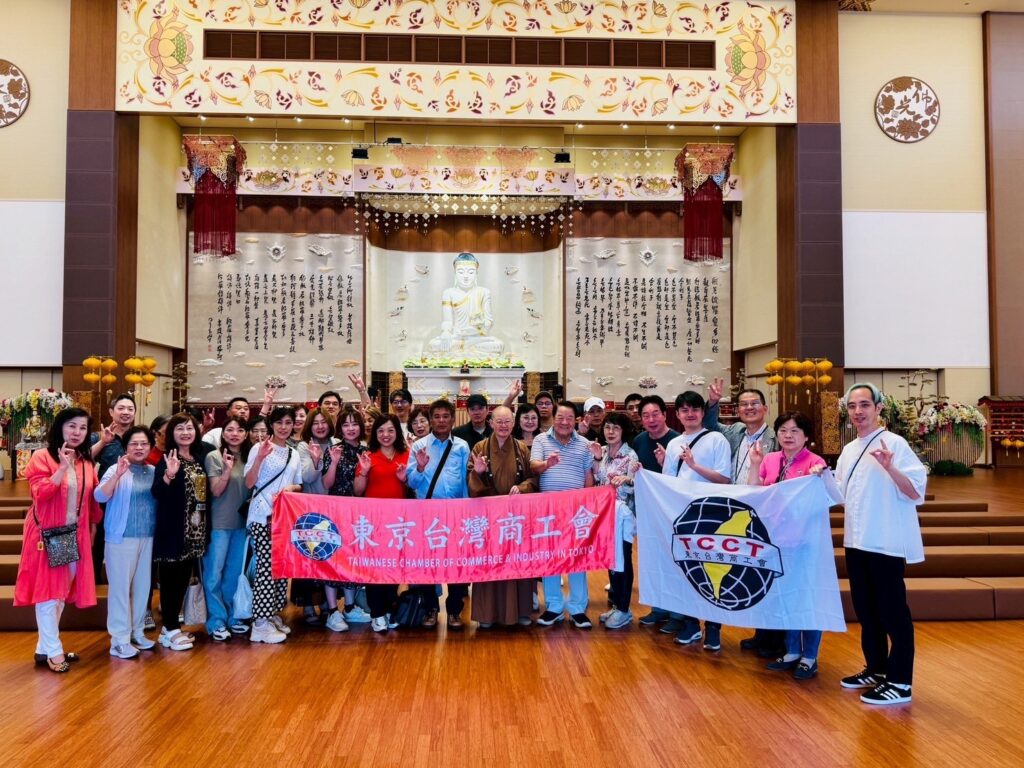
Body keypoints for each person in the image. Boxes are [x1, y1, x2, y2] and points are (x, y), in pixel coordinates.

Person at [835, 383, 926, 706]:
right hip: (857, 541)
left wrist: (890, 466)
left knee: (892, 612)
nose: (858, 412)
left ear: (878, 408)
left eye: (864, 405)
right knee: (866, 610)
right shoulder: (849, 450)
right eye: (852, 406)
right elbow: (840, 495)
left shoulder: (895, 443)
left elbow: (916, 491)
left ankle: (900, 682)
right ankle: (876, 668)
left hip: (885, 542)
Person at [15, 408, 102, 673]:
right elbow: (40, 493)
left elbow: (91, 500)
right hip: (46, 535)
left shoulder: (85, 461)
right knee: (49, 594)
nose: (77, 432)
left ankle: (44, 649)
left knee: (60, 593)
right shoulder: (42, 457)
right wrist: (61, 468)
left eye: (82, 428)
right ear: (60, 428)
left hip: (73, 535)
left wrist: (93, 528)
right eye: (71, 426)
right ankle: (54, 651)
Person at [704, 377, 783, 658]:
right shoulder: (735, 432)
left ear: (765, 408)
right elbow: (711, 427)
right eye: (743, 405)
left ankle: (773, 638)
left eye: (754, 404)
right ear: (737, 410)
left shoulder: (777, 437)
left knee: (764, 570)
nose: (749, 408)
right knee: (746, 569)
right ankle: (760, 633)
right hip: (735, 509)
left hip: (764, 512)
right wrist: (713, 402)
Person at [746, 411, 828, 680]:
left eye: (795, 431)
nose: (788, 435)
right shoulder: (770, 459)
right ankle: (792, 650)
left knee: (807, 596)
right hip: (774, 541)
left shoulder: (816, 463)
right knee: (786, 597)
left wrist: (821, 479)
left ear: (806, 436)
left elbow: (825, 500)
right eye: (783, 430)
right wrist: (754, 465)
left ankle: (810, 656)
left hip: (804, 543)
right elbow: (753, 493)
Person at [660, 391, 731, 651]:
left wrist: (694, 464)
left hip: (712, 515)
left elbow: (724, 479)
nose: (690, 414)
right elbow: (668, 482)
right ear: (677, 415)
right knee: (686, 570)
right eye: (684, 410)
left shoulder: (716, 439)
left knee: (712, 572)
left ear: (703, 412)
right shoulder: (673, 444)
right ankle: (690, 623)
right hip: (683, 517)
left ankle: (713, 628)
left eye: (695, 409)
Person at [468, 406, 537, 628]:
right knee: (489, 563)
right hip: (488, 517)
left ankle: (521, 611)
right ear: (491, 423)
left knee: (518, 564)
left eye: (508, 422)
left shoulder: (522, 449)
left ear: (513, 423)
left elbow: (533, 479)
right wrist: (477, 472)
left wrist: (522, 487)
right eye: (499, 422)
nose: (504, 426)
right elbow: (471, 483)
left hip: (515, 518)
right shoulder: (480, 447)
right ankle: (487, 615)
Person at [406, 399, 471, 628]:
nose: (441, 421)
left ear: (453, 419)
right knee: (428, 563)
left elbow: (465, 480)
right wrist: (420, 467)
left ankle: (454, 610)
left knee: (455, 564)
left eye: (446, 416)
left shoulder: (462, 446)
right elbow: (411, 481)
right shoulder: (419, 446)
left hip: (455, 513)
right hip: (427, 513)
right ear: (430, 420)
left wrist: (465, 509)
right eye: (437, 417)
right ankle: (430, 609)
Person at [94, 426, 157, 659]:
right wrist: (118, 475)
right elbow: (99, 496)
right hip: (121, 538)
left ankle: (137, 632)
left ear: (150, 447)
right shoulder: (116, 468)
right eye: (134, 444)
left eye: (143, 444)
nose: (139, 448)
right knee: (120, 589)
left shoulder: (153, 470)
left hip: (147, 536)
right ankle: (119, 640)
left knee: (142, 587)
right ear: (126, 447)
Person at [531, 401, 595, 629]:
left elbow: (588, 476)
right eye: (561, 418)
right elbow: (534, 466)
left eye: (569, 418)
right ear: (554, 419)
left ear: (576, 420)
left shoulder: (585, 444)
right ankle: (554, 607)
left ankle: (578, 608)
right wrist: (547, 464)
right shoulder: (541, 440)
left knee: (577, 560)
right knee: (551, 560)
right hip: (548, 512)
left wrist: (587, 505)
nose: (565, 422)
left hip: (576, 512)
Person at [243, 406, 303, 644]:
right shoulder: (260, 448)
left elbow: (298, 484)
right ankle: (259, 624)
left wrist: (291, 489)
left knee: (280, 568)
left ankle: (271, 614)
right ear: (271, 424)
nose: (284, 427)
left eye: (288, 422)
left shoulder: (294, 453)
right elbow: (249, 483)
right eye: (279, 422)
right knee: (266, 569)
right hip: (262, 515)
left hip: (283, 518)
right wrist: (259, 458)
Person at [151, 412, 209, 652]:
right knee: (170, 581)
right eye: (180, 429)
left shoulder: (196, 458)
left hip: (195, 531)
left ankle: (171, 627)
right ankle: (170, 628)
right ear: (171, 434)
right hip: (173, 531)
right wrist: (169, 474)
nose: (186, 433)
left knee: (183, 579)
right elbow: (158, 492)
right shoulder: (167, 459)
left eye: (189, 428)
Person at [353, 413, 410, 633]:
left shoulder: (406, 455)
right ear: (375, 434)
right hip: (374, 523)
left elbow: (411, 487)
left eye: (390, 430)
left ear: (397, 433)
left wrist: (405, 479)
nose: (386, 435)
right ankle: (377, 613)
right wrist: (364, 472)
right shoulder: (368, 456)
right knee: (375, 570)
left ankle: (389, 609)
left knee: (394, 568)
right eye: (381, 431)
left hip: (399, 523)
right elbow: (358, 491)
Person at [631, 395, 682, 631]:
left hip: (673, 514)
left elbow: (684, 482)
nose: (651, 420)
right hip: (648, 512)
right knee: (653, 560)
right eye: (645, 415)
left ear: (664, 414)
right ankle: (658, 608)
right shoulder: (639, 440)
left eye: (655, 414)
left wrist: (665, 466)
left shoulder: (677, 442)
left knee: (674, 562)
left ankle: (678, 614)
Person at [322, 407, 373, 629]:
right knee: (333, 558)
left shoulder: (367, 451)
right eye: (346, 424)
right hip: (335, 511)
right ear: (340, 428)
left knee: (352, 557)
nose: (351, 429)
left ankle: (350, 607)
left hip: (358, 513)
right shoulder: (333, 450)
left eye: (354, 424)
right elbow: (327, 484)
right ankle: (333, 611)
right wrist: (333, 462)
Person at [202, 416, 251, 641]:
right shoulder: (214, 456)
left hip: (241, 525)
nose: (234, 434)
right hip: (219, 524)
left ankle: (233, 616)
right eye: (229, 429)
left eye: (240, 430)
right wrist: (226, 470)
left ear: (246, 434)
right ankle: (216, 620)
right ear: (223, 434)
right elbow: (216, 491)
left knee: (233, 574)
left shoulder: (250, 457)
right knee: (213, 574)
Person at [588, 412, 639, 630]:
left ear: (623, 431)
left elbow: (636, 485)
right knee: (611, 559)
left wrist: (626, 479)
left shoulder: (631, 456)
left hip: (623, 516)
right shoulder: (604, 452)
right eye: (608, 427)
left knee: (623, 561)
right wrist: (598, 459)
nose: (610, 432)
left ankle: (625, 609)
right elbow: (597, 480)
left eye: (615, 428)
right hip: (604, 514)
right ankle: (616, 604)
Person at [89, 393, 137, 581]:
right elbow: (83, 458)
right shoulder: (97, 436)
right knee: (98, 543)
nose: (126, 412)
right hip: (104, 499)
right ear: (111, 412)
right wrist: (103, 441)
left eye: (130, 409)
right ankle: (93, 586)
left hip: (131, 500)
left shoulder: (138, 436)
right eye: (121, 408)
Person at [426, 251, 505, 358]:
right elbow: (447, 321)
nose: (466, 276)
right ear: (455, 273)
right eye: (461, 272)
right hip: (456, 336)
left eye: (471, 272)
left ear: (476, 273)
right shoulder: (448, 293)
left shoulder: (484, 292)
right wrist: (445, 332)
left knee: (498, 345)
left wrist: (475, 330)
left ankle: (461, 352)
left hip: (477, 338)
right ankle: (467, 351)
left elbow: (489, 322)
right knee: (433, 345)